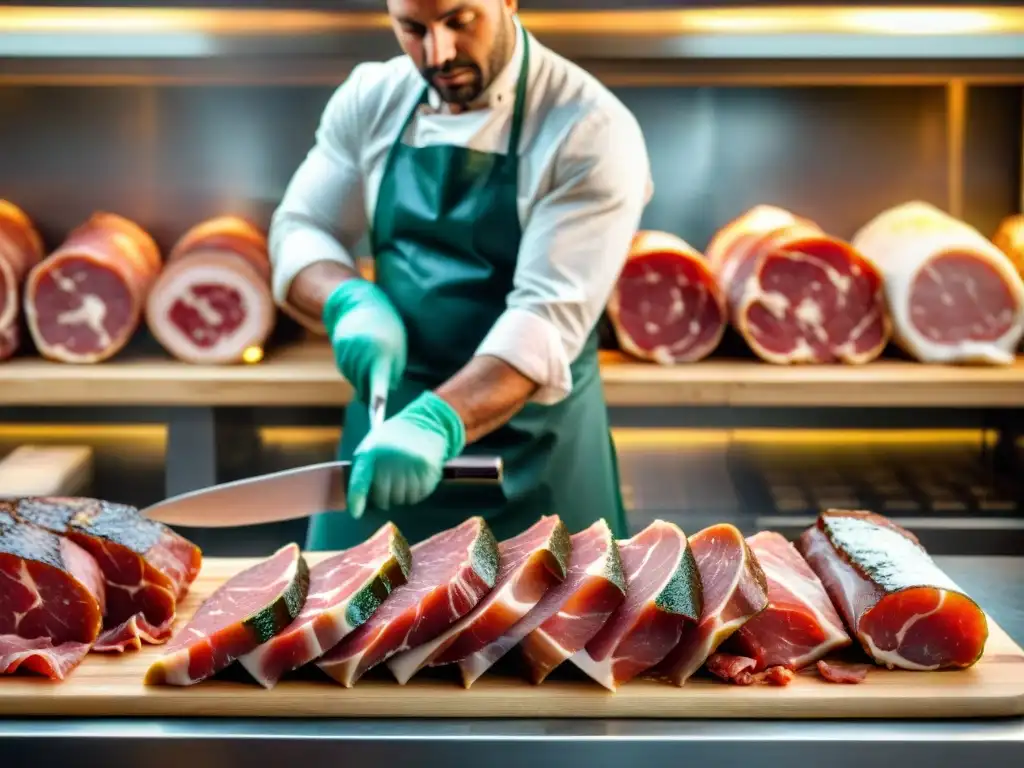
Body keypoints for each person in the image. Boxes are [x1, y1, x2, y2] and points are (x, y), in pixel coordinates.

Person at [269, 0, 653, 550]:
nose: (438, 53)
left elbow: (543, 320)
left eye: (459, 20)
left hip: (536, 469)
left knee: (548, 632)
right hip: (383, 447)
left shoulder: (588, 126)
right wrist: (346, 299)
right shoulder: (374, 96)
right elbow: (301, 226)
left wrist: (435, 424)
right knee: (341, 629)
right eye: (413, 29)